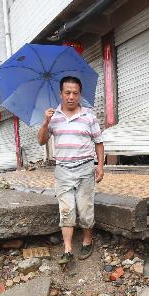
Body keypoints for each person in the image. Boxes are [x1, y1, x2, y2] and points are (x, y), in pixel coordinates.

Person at [37, 76, 105, 265]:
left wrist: (100, 166)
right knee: (66, 209)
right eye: (67, 93)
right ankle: (67, 249)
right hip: (63, 170)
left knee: (85, 208)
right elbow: (41, 141)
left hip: (85, 169)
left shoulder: (89, 116)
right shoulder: (53, 117)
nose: (71, 97)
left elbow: (99, 143)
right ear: (61, 94)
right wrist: (45, 122)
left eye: (75, 93)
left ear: (79, 94)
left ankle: (87, 240)